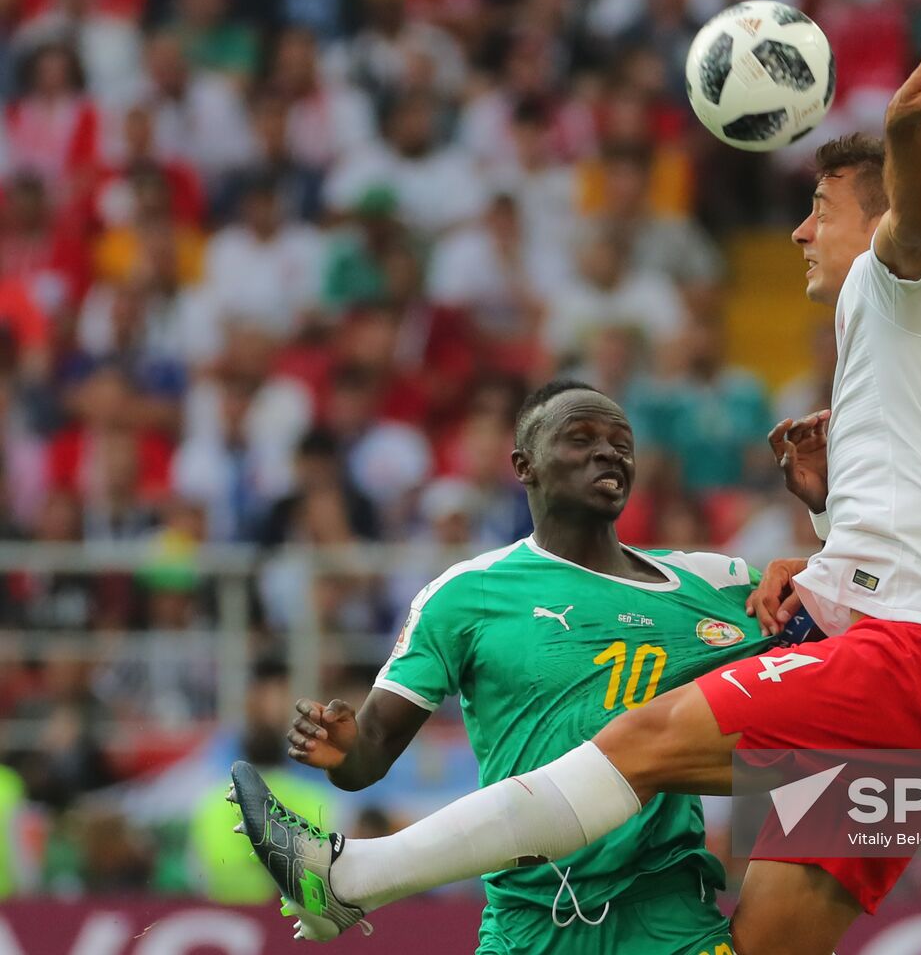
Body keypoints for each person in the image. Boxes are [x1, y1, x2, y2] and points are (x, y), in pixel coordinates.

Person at [232, 3, 921, 955]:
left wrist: (906, 136)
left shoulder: (893, 289)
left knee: (638, 745)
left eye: (821, 208)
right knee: (767, 942)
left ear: (882, 207)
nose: (801, 232)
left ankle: (346, 877)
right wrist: (831, 531)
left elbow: (918, 233)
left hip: (916, 666)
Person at [233, 380, 773, 951]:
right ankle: (346, 883)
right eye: (581, 438)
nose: (608, 452)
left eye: (621, 442)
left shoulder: (715, 584)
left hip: (668, 917)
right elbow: (369, 752)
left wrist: (811, 546)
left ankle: (354, 880)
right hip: (529, 924)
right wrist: (344, 751)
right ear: (525, 465)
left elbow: (838, 675)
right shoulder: (467, 594)